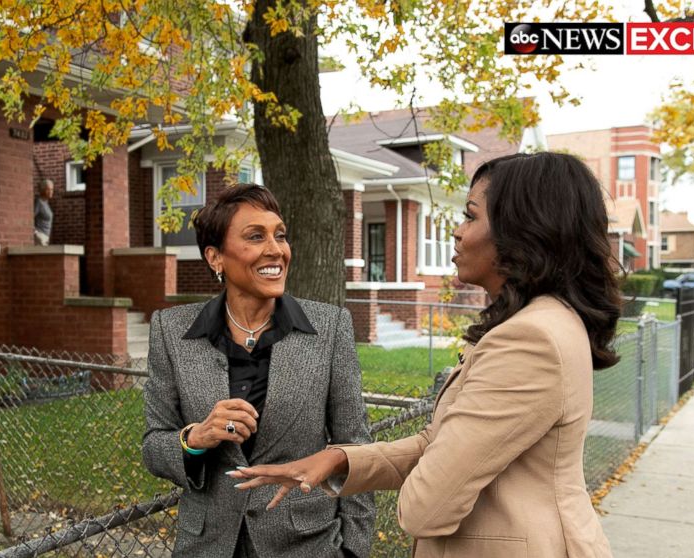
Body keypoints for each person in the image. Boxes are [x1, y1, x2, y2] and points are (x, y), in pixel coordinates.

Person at [232, 152, 621, 557]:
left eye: (471, 217)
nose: (456, 231)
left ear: (523, 232)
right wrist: (338, 459)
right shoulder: (545, 320)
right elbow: (441, 442)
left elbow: (426, 508)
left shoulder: (529, 339)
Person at [141, 184, 374, 558]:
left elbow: (356, 450)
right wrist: (195, 438)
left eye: (280, 235)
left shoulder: (330, 328)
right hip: (207, 546)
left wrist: (355, 551)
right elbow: (154, 445)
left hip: (306, 545)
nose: (276, 250)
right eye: (255, 236)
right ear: (216, 258)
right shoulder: (171, 331)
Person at [34, 178, 54, 245]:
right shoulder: (39, 202)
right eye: (48, 189)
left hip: (46, 237)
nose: (50, 191)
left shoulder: (46, 203)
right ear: (42, 190)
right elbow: (30, 218)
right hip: (40, 237)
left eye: (52, 189)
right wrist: (36, 233)